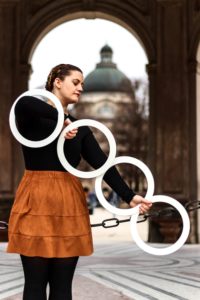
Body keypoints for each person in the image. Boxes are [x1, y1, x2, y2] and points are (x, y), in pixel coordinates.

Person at [7, 64, 152, 300]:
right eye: (76, 82)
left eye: (82, 84)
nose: (81, 88)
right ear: (57, 81)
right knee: (34, 284)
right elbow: (22, 104)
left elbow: (104, 165)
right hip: (36, 197)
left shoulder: (80, 128)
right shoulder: (32, 115)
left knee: (63, 287)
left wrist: (129, 196)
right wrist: (61, 120)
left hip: (69, 200)